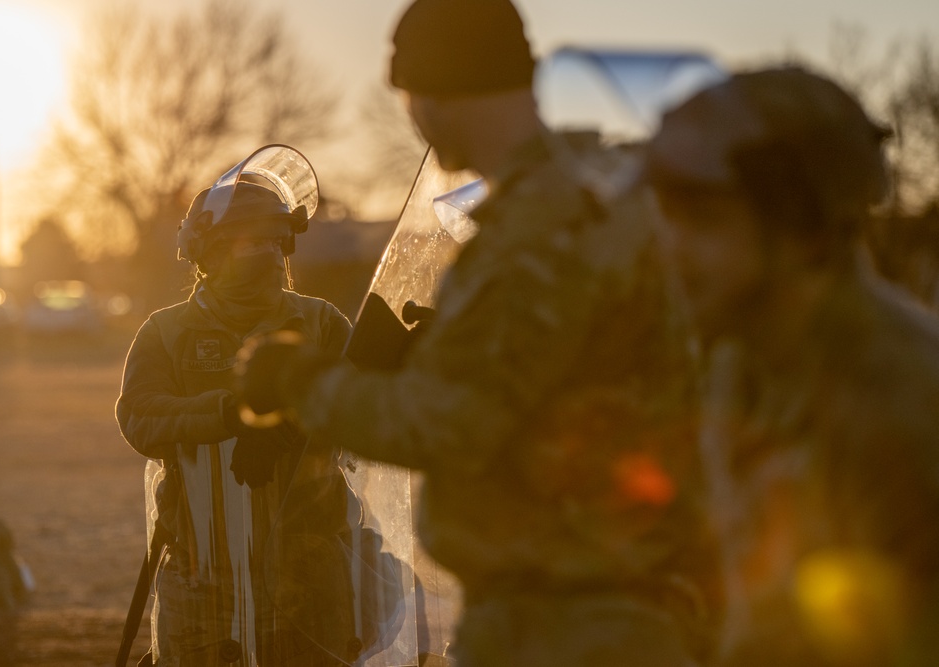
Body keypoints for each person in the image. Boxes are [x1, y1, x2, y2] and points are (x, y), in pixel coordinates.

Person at [235, 1, 722, 665]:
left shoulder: (537, 228)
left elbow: (444, 424)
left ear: (436, 96)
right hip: (598, 604)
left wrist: (296, 380)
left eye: (410, 96)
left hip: (565, 621)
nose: (414, 116)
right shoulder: (591, 198)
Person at [643, 66, 939, 666]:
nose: (671, 247)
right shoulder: (745, 363)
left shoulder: (898, 399)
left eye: (704, 220)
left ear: (801, 231)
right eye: (667, 216)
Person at [115, 147, 404, 667]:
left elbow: (379, 414)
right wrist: (234, 412)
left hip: (312, 582)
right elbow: (140, 417)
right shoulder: (167, 332)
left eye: (278, 241)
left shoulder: (321, 323)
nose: (270, 255)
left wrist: (409, 359)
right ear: (210, 252)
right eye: (253, 241)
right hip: (204, 584)